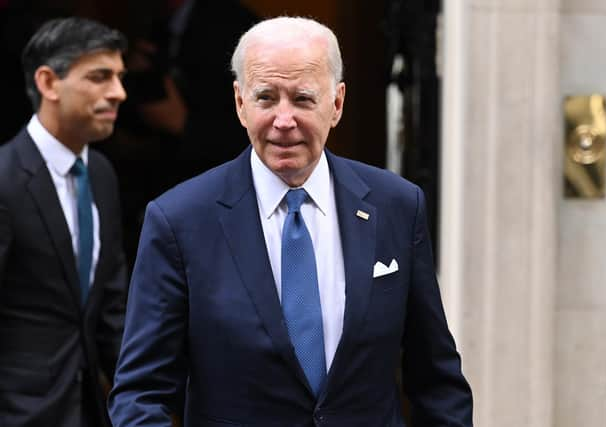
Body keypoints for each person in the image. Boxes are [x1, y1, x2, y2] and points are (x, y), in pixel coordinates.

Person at [109, 16, 473, 426]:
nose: (284, 120)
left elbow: (438, 381)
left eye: (302, 99)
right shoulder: (179, 220)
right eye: (266, 98)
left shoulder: (397, 207)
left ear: (336, 104)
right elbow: (141, 394)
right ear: (239, 103)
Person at [0, 17, 129, 427]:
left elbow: (110, 308)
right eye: (99, 77)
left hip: (91, 408)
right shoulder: (4, 179)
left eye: (120, 77)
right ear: (48, 83)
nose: (119, 93)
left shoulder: (103, 174)